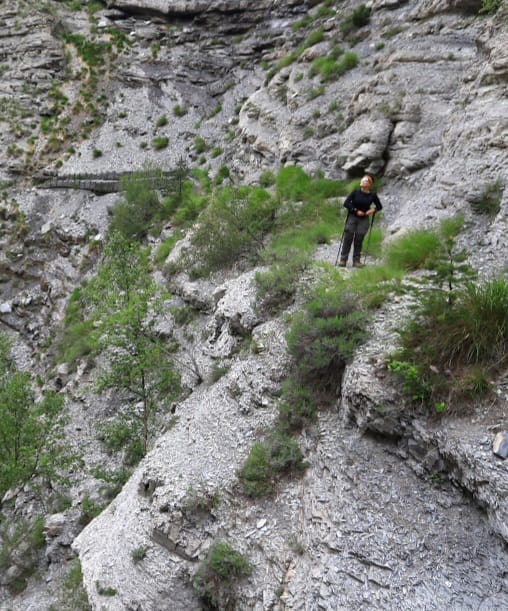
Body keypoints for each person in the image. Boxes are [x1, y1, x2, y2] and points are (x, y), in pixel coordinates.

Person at [338, 174, 382, 268]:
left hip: (364, 219)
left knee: (359, 239)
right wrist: (355, 211)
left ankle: (356, 261)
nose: (363, 180)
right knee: (348, 237)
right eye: (362, 179)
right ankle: (343, 260)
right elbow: (346, 203)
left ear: (370, 184)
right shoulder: (355, 192)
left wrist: (372, 210)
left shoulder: (372, 195)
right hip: (352, 217)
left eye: (366, 180)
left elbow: (379, 206)